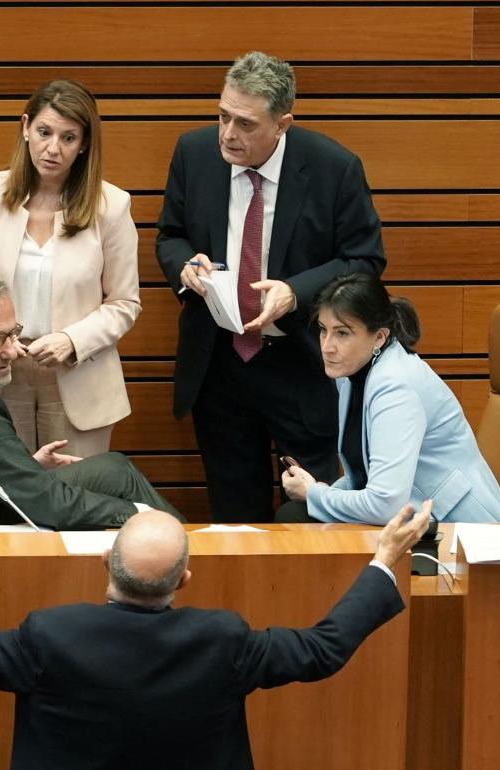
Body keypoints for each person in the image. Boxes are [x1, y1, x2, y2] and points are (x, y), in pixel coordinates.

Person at [0, 478, 431, 770]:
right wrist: (384, 559)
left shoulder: (50, 636)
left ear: (104, 564)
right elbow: (322, 650)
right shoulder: (223, 641)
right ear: (184, 580)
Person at [155, 51, 385, 523]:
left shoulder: (333, 168)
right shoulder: (194, 153)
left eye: (244, 123)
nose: (227, 134)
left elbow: (365, 259)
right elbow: (170, 235)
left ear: (282, 124)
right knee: (234, 520)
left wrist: (295, 292)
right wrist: (184, 267)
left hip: (301, 365)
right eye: (222, 116)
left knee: (312, 516)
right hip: (219, 364)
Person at [0, 80, 139, 458]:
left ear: (84, 143)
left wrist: (72, 340)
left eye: (68, 138)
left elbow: (124, 303)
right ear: (25, 128)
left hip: (77, 377)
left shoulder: (112, 206)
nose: (53, 148)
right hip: (0, 374)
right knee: (10, 503)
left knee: (78, 502)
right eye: (44, 132)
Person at [0, 269, 179, 529]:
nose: (12, 351)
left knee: (115, 469)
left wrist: (24, 465)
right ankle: (186, 548)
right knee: (145, 512)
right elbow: (50, 504)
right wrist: (139, 513)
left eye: (13, 333)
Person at [279, 273, 500, 525]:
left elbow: (383, 504)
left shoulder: (396, 387)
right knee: (297, 518)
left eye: (342, 333)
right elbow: (364, 476)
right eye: (324, 330)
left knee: (296, 518)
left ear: (379, 336)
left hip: (459, 532)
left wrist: (315, 494)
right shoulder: (351, 373)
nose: (327, 346)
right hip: (415, 518)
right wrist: (323, 492)